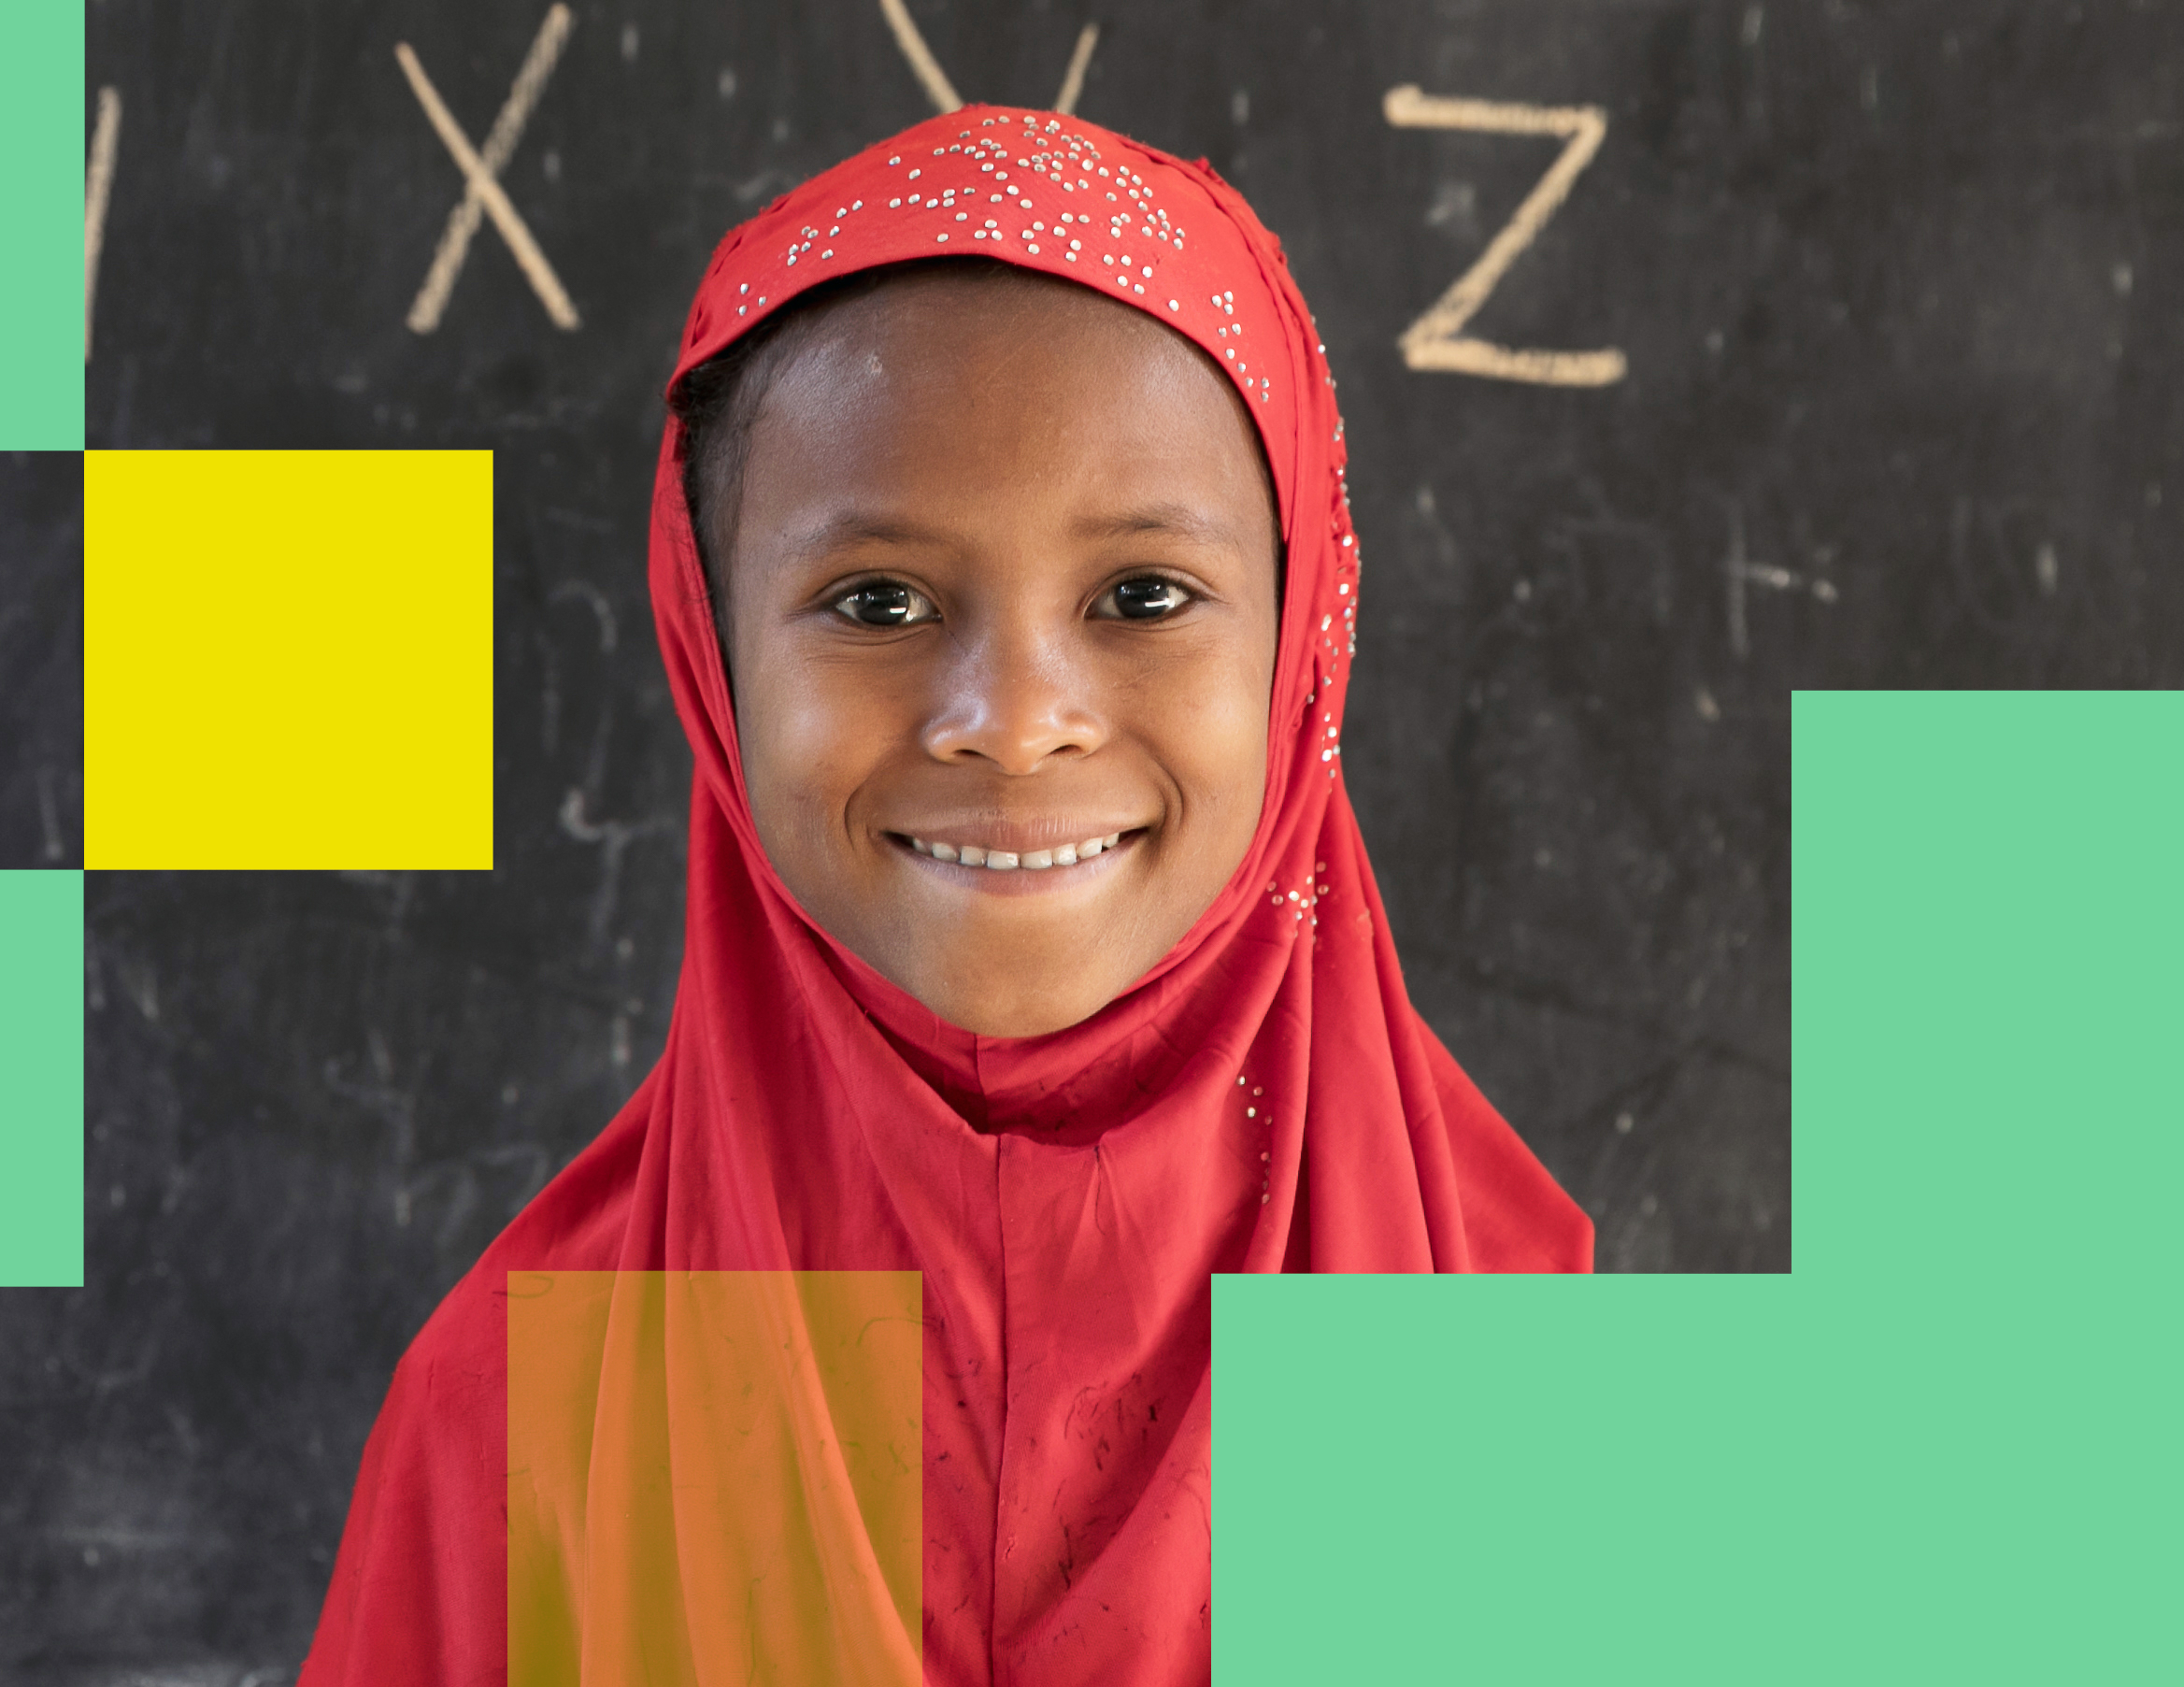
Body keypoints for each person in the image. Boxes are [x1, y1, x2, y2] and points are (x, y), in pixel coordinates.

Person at [299, 105, 1592, 1687]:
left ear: (1301, 641)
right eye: (877, 601)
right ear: (712, 658)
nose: (1014, 717)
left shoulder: (1553, 1406)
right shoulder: (515, 1436)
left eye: (1144, 595)